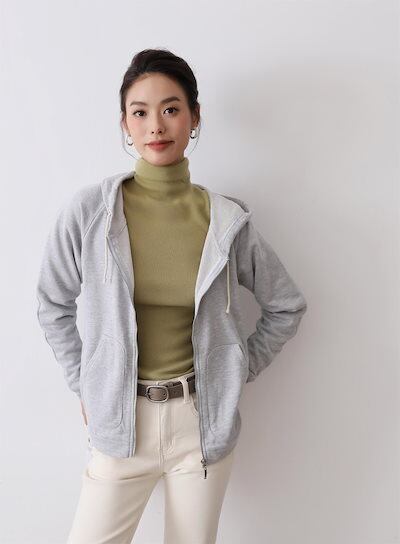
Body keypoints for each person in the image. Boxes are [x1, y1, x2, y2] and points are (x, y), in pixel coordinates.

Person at [35, 48, 308, 544]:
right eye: (140, 112)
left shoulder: (226, 219)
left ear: (194, 117)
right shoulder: (90, 212)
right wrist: (86, 384)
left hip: (200, 428)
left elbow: (286, 304)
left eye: (171, 108)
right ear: (125, 124)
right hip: (120, 424)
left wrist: (233, 370)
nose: (156, 126)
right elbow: (52, 303)